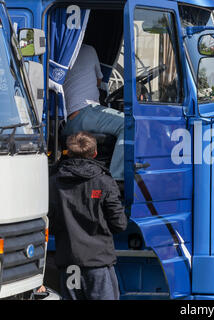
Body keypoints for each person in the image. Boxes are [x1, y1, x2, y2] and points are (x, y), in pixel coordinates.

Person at [48, 131, 128, 300]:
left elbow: (51, 223)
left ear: (68, 153)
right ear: (95, 153)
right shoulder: (104, 182)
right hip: (98, 262)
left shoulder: (53, 181)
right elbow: (119, 224)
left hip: (68, 261)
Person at [62, 43, 124, 181]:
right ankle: (117, 179)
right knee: (129, 123)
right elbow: (99, 81)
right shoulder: (89, 50)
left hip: (67, 120)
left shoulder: (63, 49)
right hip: (85, 110)